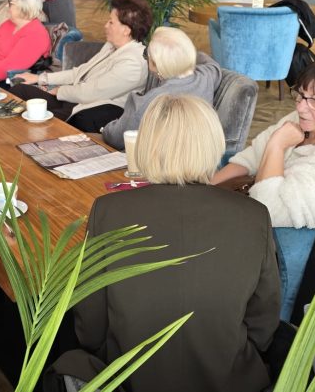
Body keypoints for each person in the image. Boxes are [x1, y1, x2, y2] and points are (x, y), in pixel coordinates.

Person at [56, 94, 280, 392]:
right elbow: (263, 326)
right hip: (229, 381)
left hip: (129, 381)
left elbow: (91, 327)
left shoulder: (108, 211)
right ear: (213, 144)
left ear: (147, 145)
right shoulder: (254, 215)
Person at [212, 56, 315, 229]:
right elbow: (252, 157)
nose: (300, 108)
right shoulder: (310, 120)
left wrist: (277, 146)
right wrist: (207, 188)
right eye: (301, 95)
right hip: (250, 202)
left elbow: (268, 211)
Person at [11, 0, 149, 132]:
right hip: (73, 98)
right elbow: (80, 72)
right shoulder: (111, 46)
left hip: (87, 110)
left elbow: (92, 92)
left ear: (126, 30)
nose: (106, 25)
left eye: (111, 22)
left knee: (33, 122)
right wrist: (40, 78)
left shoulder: (133, 63)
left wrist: (59, 91)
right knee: (20, 90)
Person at [101, 27, 221, 149]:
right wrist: (185, 56)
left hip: (162, 157)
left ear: (155, 64)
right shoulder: (207, 75)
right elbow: (210, 63)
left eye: (147, 55)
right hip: (201, 153)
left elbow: (116, 138)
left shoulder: (151, 101)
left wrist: (105, 129)